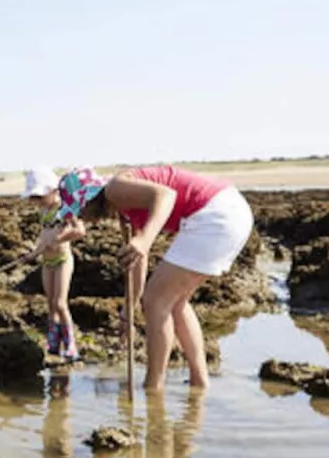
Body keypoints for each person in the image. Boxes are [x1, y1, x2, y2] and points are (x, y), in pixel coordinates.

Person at [44, 165, 253, 391]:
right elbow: (137, 262)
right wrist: (129, 308)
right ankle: (199, 381)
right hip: (230, 212)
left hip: (215, 215)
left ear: (89, 199)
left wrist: (144, 240)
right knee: (176, 302)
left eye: (79, 210)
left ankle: (154, 387)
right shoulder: (123, 207)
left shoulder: (114, 189)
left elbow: (166, 195)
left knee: (156, 301)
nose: (80, 217)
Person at [21, 166, 79, 361]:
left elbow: (77, 230)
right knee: (50, 303)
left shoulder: (64, 208)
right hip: (47, 261)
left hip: (63, 260)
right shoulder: (43, 211)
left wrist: (59, 239)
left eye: (39, 197)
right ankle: (54, 341)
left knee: (60, 303)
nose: (37, 202)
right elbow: (43, 237)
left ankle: (71, 344)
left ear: (52, 190)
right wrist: (34, 253)